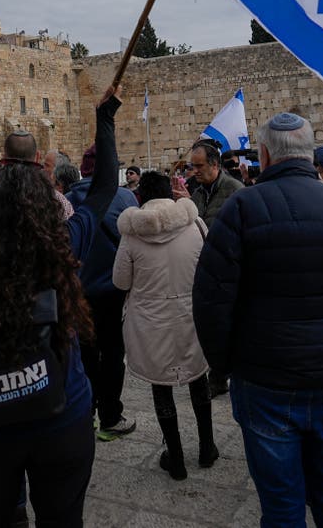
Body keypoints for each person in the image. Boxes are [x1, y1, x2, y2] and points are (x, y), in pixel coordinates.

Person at [0, 87, 122, 527]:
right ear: (38, 178)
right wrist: (104, 118)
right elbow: (106, 186)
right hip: (62, 417)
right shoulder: (62, 243)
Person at [193, 112, 323, 527]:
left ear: (264, 154)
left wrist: (228, 365)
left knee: (282, 506)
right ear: (308, 153)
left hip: (264, 382)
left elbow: (211, 303)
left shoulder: (240, 209)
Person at [113, 171, 217, 481]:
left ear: (140, 197)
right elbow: (209, 267)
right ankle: (207, 447)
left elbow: (120, 281)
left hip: (151, 320)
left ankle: (176, 459)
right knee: (199, 379)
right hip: (190, 314)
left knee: (161, 387)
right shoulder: (195, 224)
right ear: (170, 194)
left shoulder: (132, 234)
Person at [67, 142, 140, 441]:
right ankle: (111, 416)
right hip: (112, 291)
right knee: (112, 354)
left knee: (85, 355)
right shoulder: (124, 197)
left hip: (79, 293)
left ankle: (87, 415)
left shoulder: (68, 200)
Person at [187, 140, 243, 224]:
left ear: (214, 164)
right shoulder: (197, 194)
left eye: (199, 166)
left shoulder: (235, 190)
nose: (195, 171)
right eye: (193, 166)